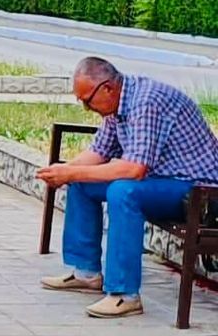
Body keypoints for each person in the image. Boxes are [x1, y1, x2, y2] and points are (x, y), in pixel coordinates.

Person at [37, 57, 218, 318]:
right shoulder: (116, 106)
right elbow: (98, 153)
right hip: (163, 181)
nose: (87, 108)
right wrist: (61, 171)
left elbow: (135, 169)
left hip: (197, 191)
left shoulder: (147, 102)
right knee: (81, 181)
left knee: (123, 191)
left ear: (108, 87)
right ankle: (85, 272)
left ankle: (124, 295)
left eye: (87, 100)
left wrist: (72, 170)